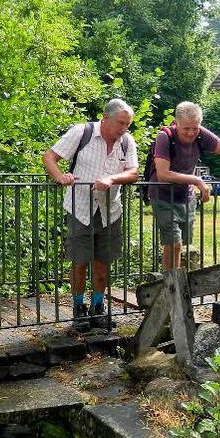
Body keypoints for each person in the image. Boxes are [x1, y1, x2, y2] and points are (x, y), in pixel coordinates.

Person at [43, 99, 139, 331]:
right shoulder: (82, 132)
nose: (124, 128)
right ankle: (78, 309)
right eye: (121, 123)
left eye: (128, 124)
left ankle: (98, 308)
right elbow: (49, 157)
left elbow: (133, 173)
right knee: (79, 260)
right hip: (81, 207)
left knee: (103, 260)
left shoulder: (126, 141)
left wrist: (111, 179)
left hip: (110, 210)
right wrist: (60, 176)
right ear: (105, 119)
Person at [148, 101, 220, 270]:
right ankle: (171, 286)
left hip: (185, 196)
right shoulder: (164, 137)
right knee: (173, 243)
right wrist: (197, 180)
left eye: (195, 127)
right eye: (186, 128)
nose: (191, 133)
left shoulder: (201, 135)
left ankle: (176, 283)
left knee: (182, 244)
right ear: (176, 123)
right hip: (163, 195)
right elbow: (163, 174)